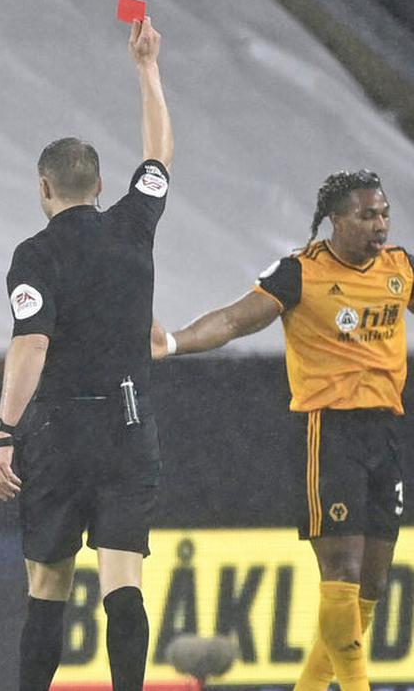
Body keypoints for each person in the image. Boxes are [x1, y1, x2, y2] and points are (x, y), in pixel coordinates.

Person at [152, 169, 407, 691]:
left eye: (383, 213)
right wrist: (174, 343)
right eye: (366, 216)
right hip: (328, 430)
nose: (379, 225)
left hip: (386, 432)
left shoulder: (399, 268)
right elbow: (235, 320)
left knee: (373, 582)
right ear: (336, 221)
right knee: (342, 569)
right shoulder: (300, 273)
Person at [0, 16, 172, 691]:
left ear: (44, 190)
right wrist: (146, 71)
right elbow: (158, 160)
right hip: (128, 428)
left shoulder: (34, 256)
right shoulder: (133, 225)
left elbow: (31, 343)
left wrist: (4, 431)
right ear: (97, 186)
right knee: (123, 582)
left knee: (48, 585)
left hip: (60, 435)